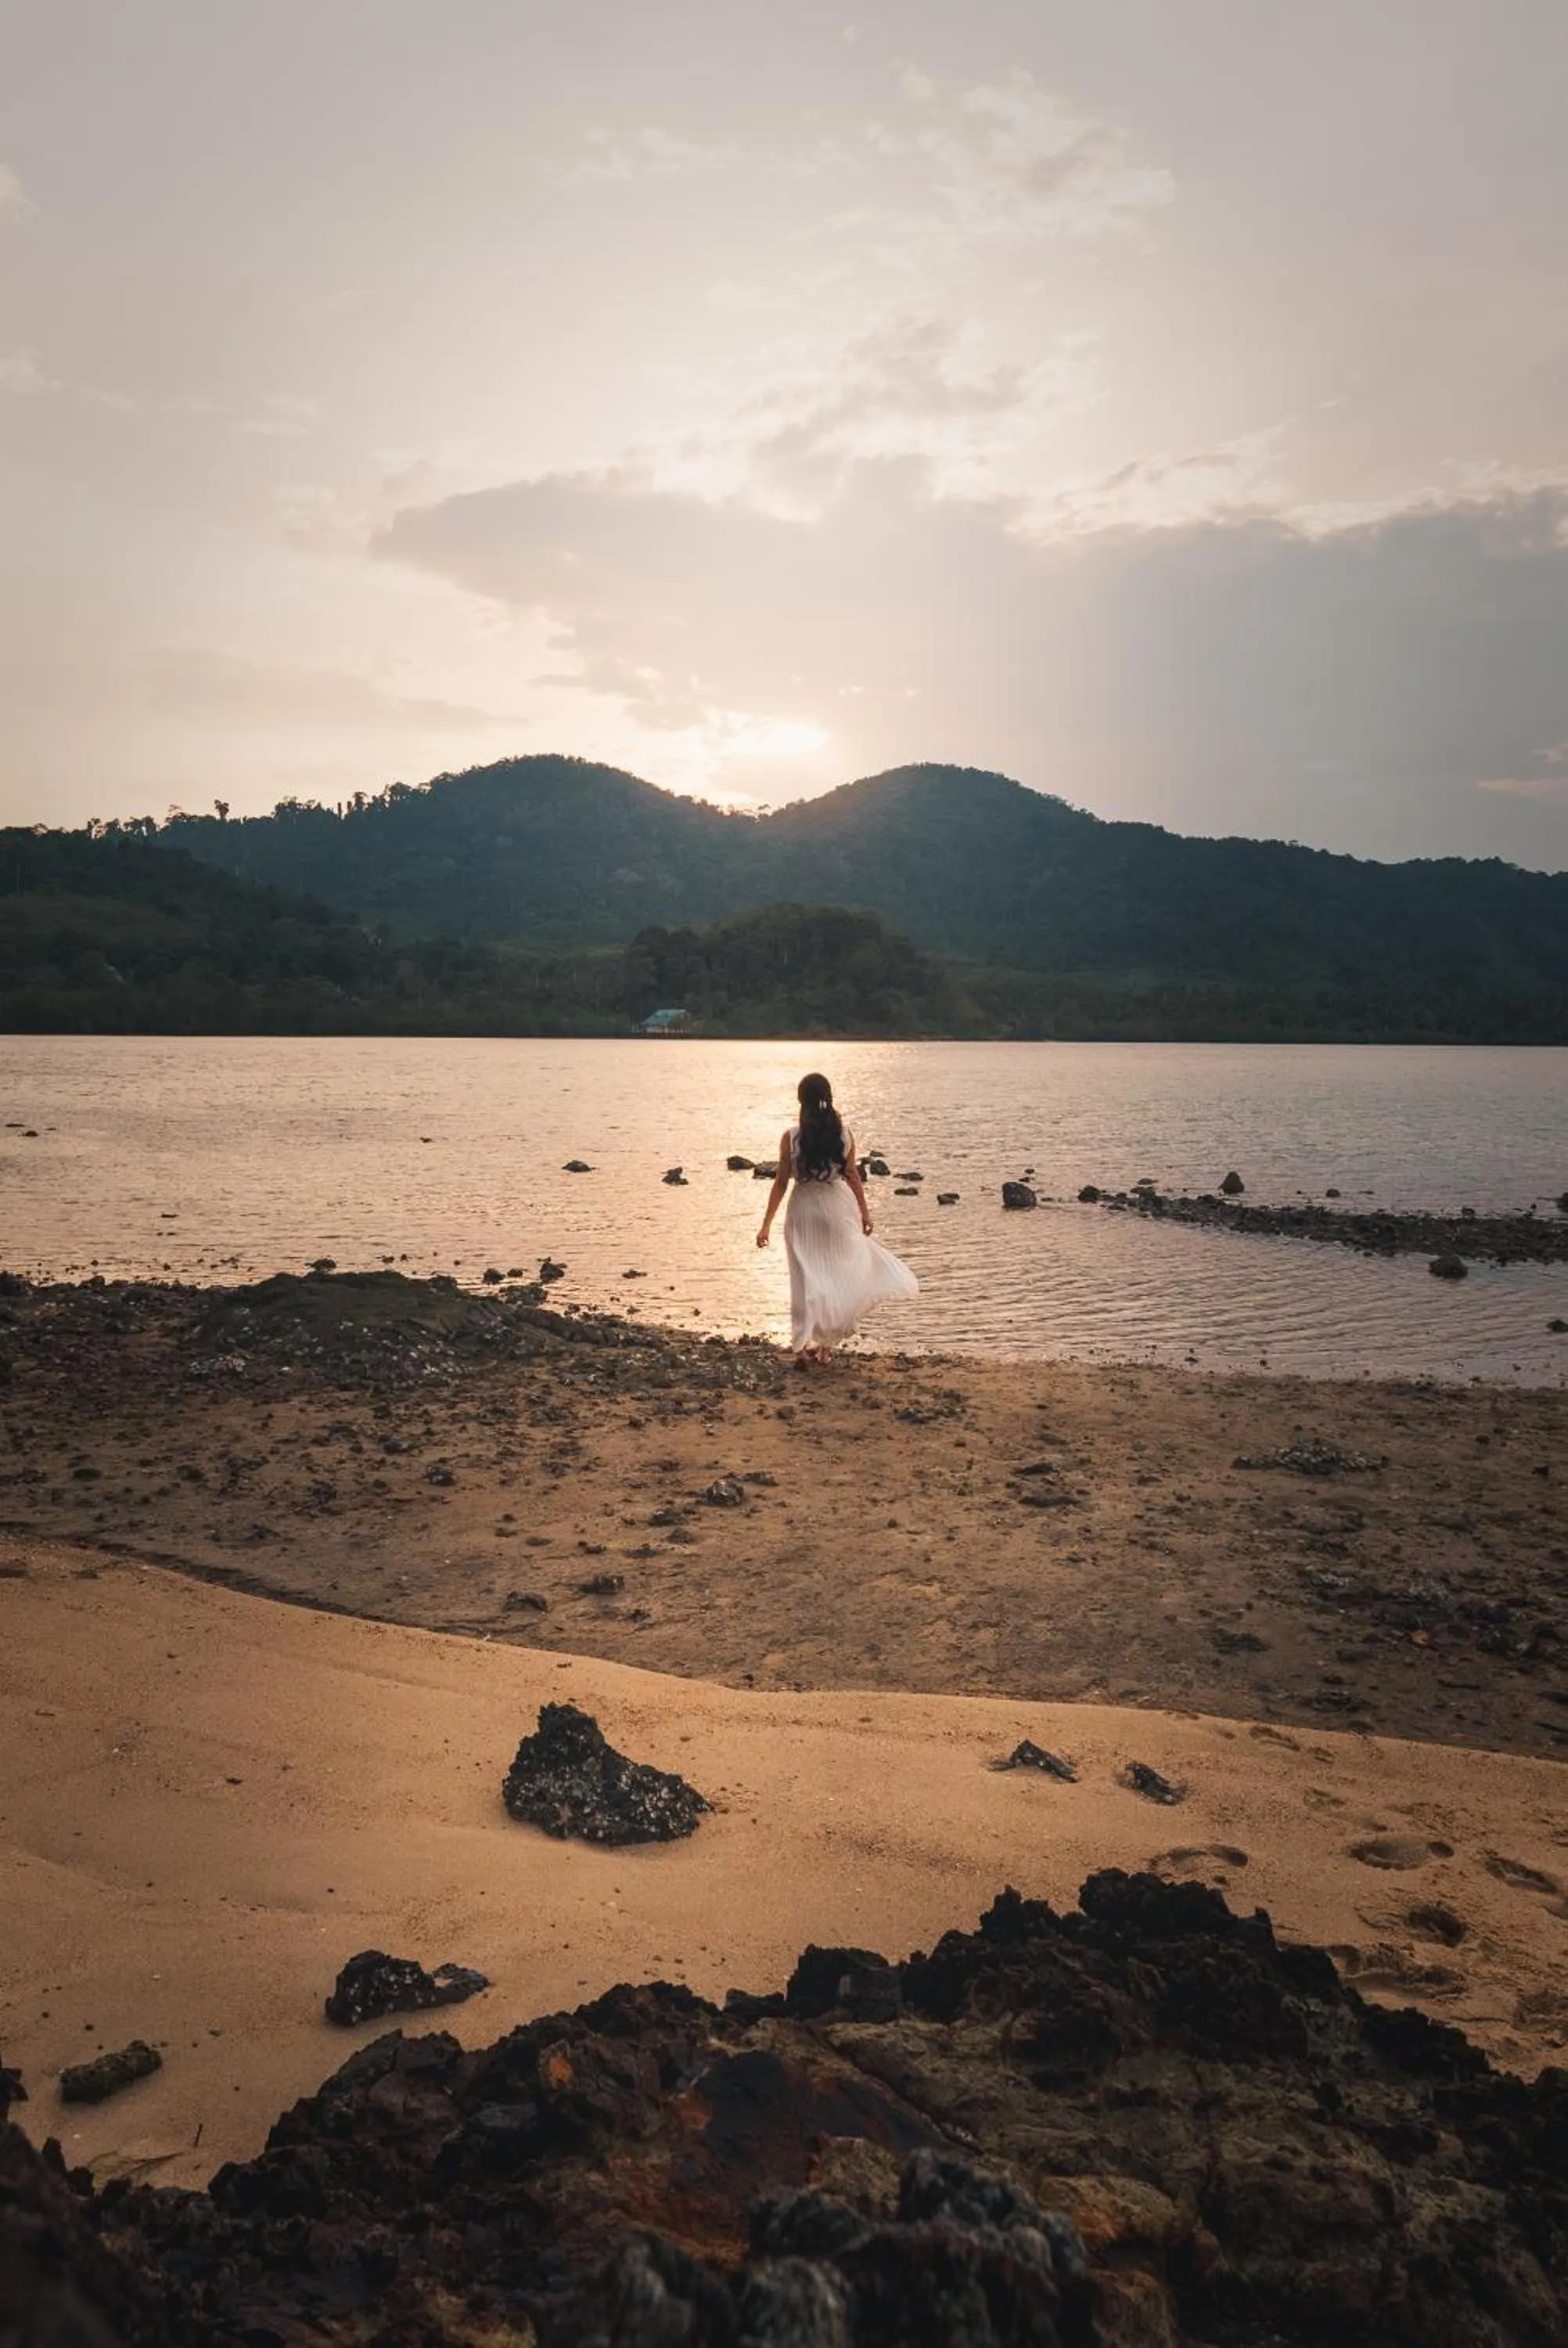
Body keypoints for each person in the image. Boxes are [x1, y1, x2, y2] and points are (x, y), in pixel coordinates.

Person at [755, 1072, 919, 1364]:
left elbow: (780, 1182)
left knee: (804, 1276)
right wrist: (865, 1213)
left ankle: (802, 1345)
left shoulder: (791, 1137)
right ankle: (826, 1347)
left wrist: (766, 1223)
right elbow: (853, 1175)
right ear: (829, 1097)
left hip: (803, 1207)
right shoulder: (844, 1135)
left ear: (800, 1100)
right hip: (837, 1206)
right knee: (839, 1271)